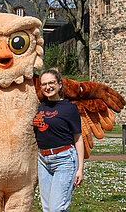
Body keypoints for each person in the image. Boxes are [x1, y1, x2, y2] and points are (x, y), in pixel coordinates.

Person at [33, 69, 84, 212]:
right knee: (48, 208)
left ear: (59, 84)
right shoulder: (41, 106)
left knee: (56, 208)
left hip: (64, 160)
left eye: (51, 83)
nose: (48, 87)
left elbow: (78, 139)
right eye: (44, 84)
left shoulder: (70, 108)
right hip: (43, 160)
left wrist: (80, 168)